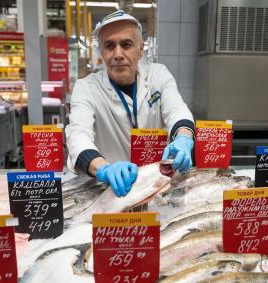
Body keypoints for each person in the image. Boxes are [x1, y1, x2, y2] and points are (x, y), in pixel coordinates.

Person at [66, 10, 195, 197]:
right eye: (109, 46)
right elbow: (77, 134)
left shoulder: (158, 75)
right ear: (102, 51)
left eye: (126, 44)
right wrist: (103, 168)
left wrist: (183, 139)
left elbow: (177, 111)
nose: (118, 54)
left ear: (141, 49)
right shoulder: (86, 87)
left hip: (158, 186)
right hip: (110, 190)